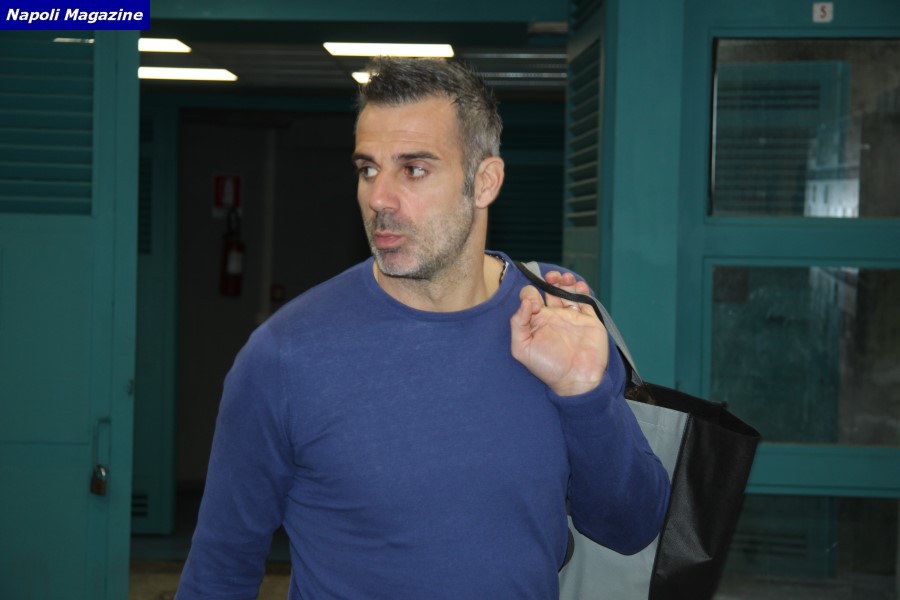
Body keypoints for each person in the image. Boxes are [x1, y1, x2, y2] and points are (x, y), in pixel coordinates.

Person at [175, 57, 670, 600]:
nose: (379, 199)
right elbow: (219, 571)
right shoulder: (284, 355)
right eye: (368, 169)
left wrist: (585, 394)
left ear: (484, 182)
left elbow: (632, 527)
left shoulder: (556, 315)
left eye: (413, 169)